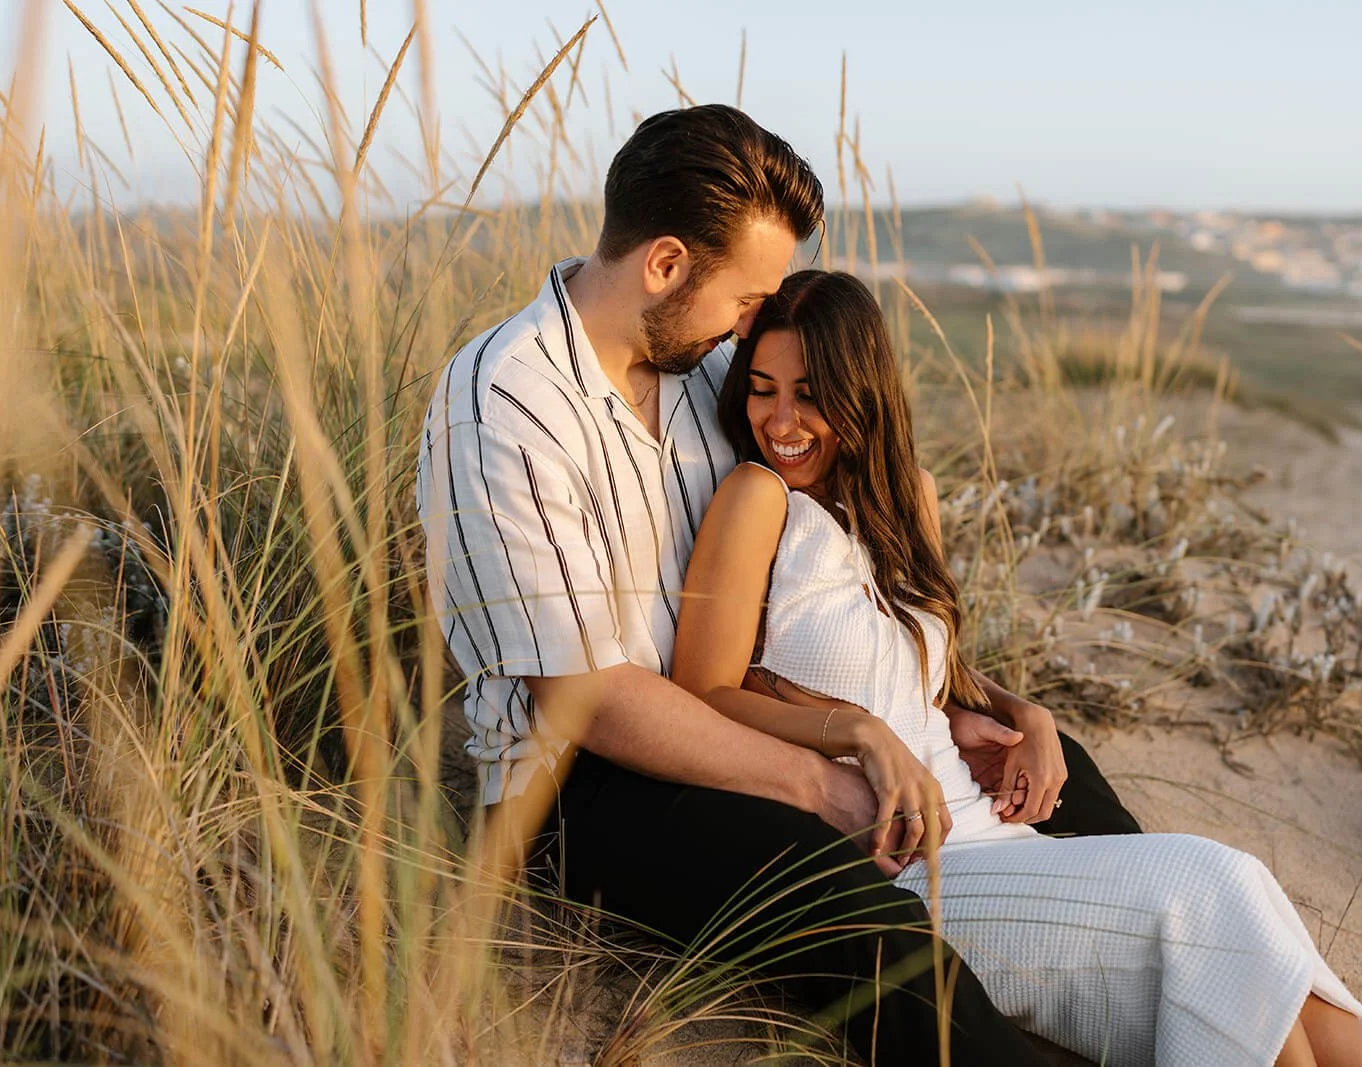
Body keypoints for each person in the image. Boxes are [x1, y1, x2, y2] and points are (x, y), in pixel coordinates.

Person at [417, 104, 1144, 1065]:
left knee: (1056, 775)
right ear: (667, 264)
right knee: (868, 930)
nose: (754, 319)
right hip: (589, 787)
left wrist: (965, 704)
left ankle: (1174, 955)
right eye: (745, 295)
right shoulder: (505, 404)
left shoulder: (714, 366)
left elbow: (859, 559)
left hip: (758, 713)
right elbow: (586, 699)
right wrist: (818, 779)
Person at [669, 268, 1362, 1067]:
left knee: (1242, 921)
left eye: (810, 397)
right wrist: (851, 727)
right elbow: (700, 692)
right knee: (1217, 891)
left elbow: (930, 671)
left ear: (862, 395)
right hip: (915, 872)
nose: (781, 421)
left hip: (995, 836)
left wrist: (1029, 716)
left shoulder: (909, 498)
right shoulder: (758, 500)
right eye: (762, 390)